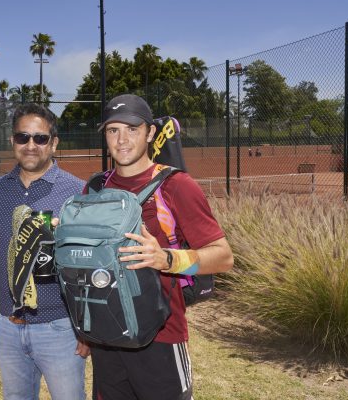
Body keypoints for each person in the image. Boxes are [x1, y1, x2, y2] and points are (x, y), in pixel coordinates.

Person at [91, 94, 234, 400]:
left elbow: (223, 257)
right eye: (113, 130)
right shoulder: (95, 188)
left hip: (161, 337)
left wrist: (166, 259)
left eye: (132, 129)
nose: (122, 140)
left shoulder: (176, 185)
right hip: (106, 337)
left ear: (150, 133)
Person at [0, 103, 88, 400]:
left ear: (54, 143)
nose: (31, 145)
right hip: (8, 327)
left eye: (40, 138)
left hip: (60, 329)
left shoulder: (78, 193)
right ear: (12, 141)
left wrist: (88, 327)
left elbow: (88, 266)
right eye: (22, 137)